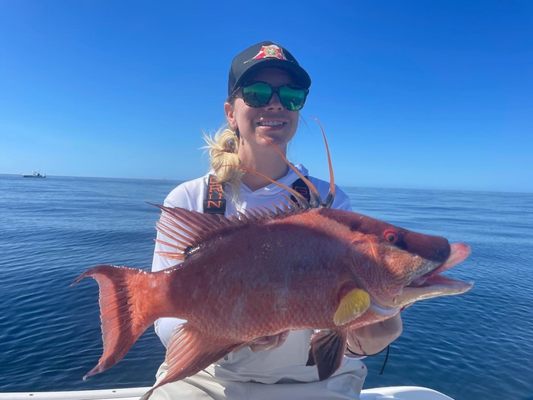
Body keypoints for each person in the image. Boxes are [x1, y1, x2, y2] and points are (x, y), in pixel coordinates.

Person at [150, 41, 402, 400]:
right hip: (209, 379)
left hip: (314, 384)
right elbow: (166, 318)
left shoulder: (331, 202)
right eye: (256, 93)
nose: (275, 104)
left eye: (291, 96)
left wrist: (370, 337)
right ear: (230, 112)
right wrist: (232, 334)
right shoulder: (191, 200)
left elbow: (344, 338)